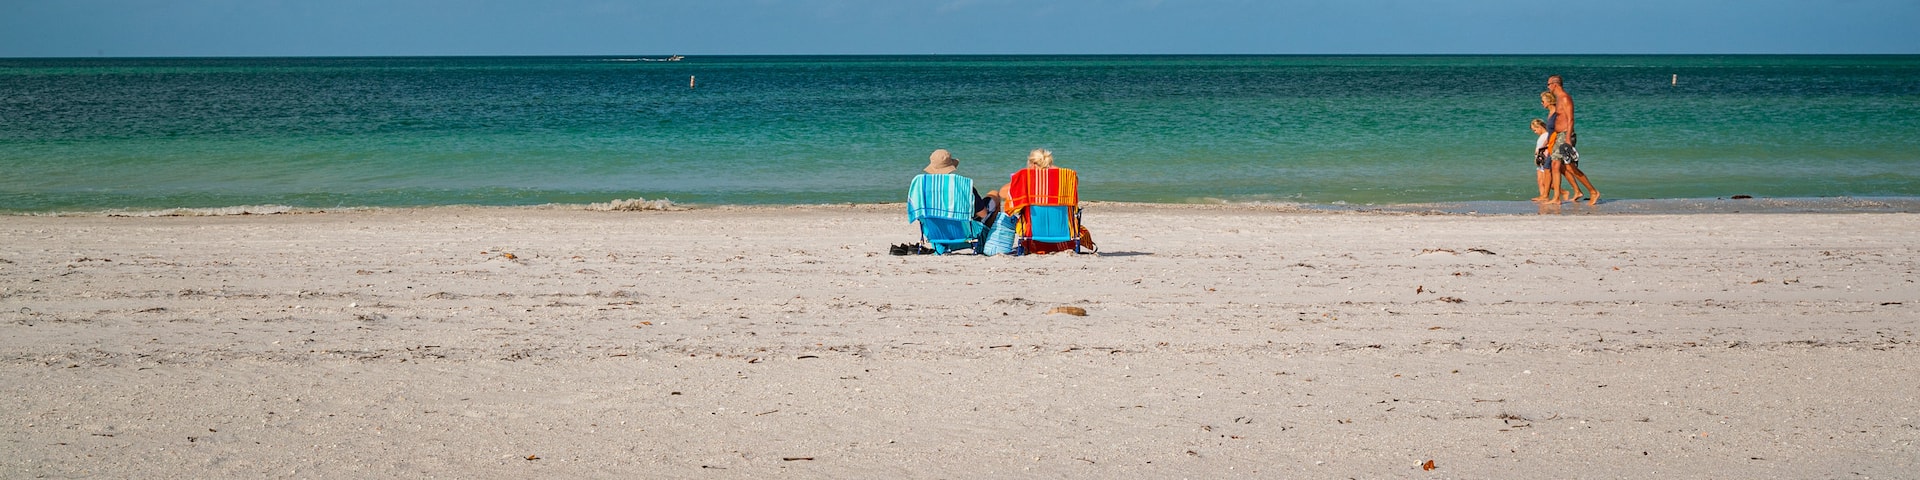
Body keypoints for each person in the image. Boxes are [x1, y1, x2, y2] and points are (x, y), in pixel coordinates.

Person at [989, 148, 1095, 254]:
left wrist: (1021, 181)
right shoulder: (1067, 178)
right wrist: (1052, 169)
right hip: (1065, 237)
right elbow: (1074, 182)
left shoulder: (1026, 179)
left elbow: (1002, 193)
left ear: (1033, 164)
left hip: (1032, 236)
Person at [1548, 75, 1599, 205]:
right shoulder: (1558, 98)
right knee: (1555, 165)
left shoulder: (1565, 98)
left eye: (1548, 84)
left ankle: (1593, 191)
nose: (1548, 87)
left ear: (1555, 84)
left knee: (1571, 168)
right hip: (1558, 135)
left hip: (1566, 135)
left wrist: (1568, 139)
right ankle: (1556, 198)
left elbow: (1570, 119)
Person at [1530, 118, 1553, 202]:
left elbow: (1546, 147)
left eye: (1535, 130)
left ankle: (1563, 192)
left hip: (1544, 159)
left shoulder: (1547, 135)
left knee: (1546, 182)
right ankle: (1542, 196)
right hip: (1539, 160)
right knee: (1540, 180)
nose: (1534, 132)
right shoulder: (1541, 137)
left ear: (1540, 127)